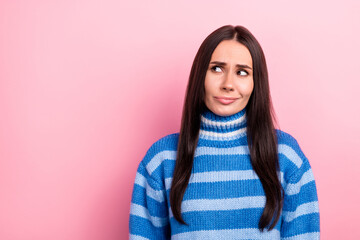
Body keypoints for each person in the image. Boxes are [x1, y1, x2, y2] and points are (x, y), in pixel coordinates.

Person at [128, 25, 320, 239]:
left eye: (242, 72)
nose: (228, 84)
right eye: (217, 69)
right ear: (200, 75)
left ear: (256, 83)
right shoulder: (161, 159)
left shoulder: (286, 156)